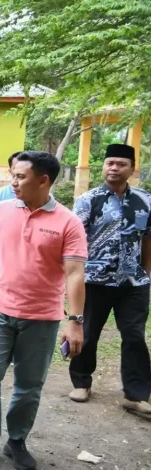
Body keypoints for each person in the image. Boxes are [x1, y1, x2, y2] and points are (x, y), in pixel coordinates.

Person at [0, 151, 87, 470]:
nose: (13, 182)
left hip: (42, 317)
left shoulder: (68, 222)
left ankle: (16, 440)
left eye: (20, 177)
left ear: (43, 180)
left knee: (29, 384)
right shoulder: (0, 211)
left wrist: (75, 321)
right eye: (12, 175)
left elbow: (74, 273)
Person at [69, 143, 151, 417]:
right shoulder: (88, 200)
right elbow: (75, 241)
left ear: (132, 169)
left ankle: (136, 395)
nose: (114, 168)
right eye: (110, 163)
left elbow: (148, 238)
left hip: (133, 283)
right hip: (94, 280)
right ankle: (81, 383)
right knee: (88, 333)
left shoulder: (145, 200)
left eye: (121, 164)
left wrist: (146, 271)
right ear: (103, 166)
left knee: (134, 336)